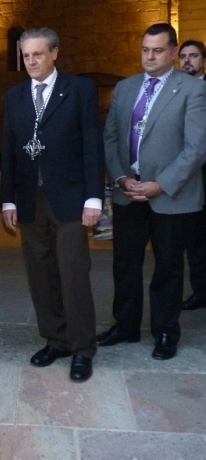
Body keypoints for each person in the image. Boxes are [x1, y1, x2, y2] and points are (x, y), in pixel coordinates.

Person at [1, 27, 104, 383]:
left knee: (73, 272)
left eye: (38, 54)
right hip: (30, 198)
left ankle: (81, 348)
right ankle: (55, 339)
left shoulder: (79, 90)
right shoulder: (14, 96)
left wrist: (95, 197)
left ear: (54, 53)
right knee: (40, 272)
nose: (31, 61)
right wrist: (8, 199)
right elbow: (10, 150)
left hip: (72, 197)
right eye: (26, 55)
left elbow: (92, 144)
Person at [99, 24, 206, 360]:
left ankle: (164, 332)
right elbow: (111, 138)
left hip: (170, 196)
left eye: (157, 50)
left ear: (173, 52)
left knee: (169, 267)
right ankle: (126, 326)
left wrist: (160, 184)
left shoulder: (191, 89)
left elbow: (196, 148)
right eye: (145, 49)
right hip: (128, 193)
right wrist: (120, 178)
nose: (149, 56)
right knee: (124, 264)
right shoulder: (125, 87)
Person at [178, 40, 206, 310]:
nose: (187, 61)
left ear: (203, 60)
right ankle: (201, 292)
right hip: (189, 178)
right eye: (183, 56)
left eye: (193, 56)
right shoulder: (176, 90)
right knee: (195, 241)